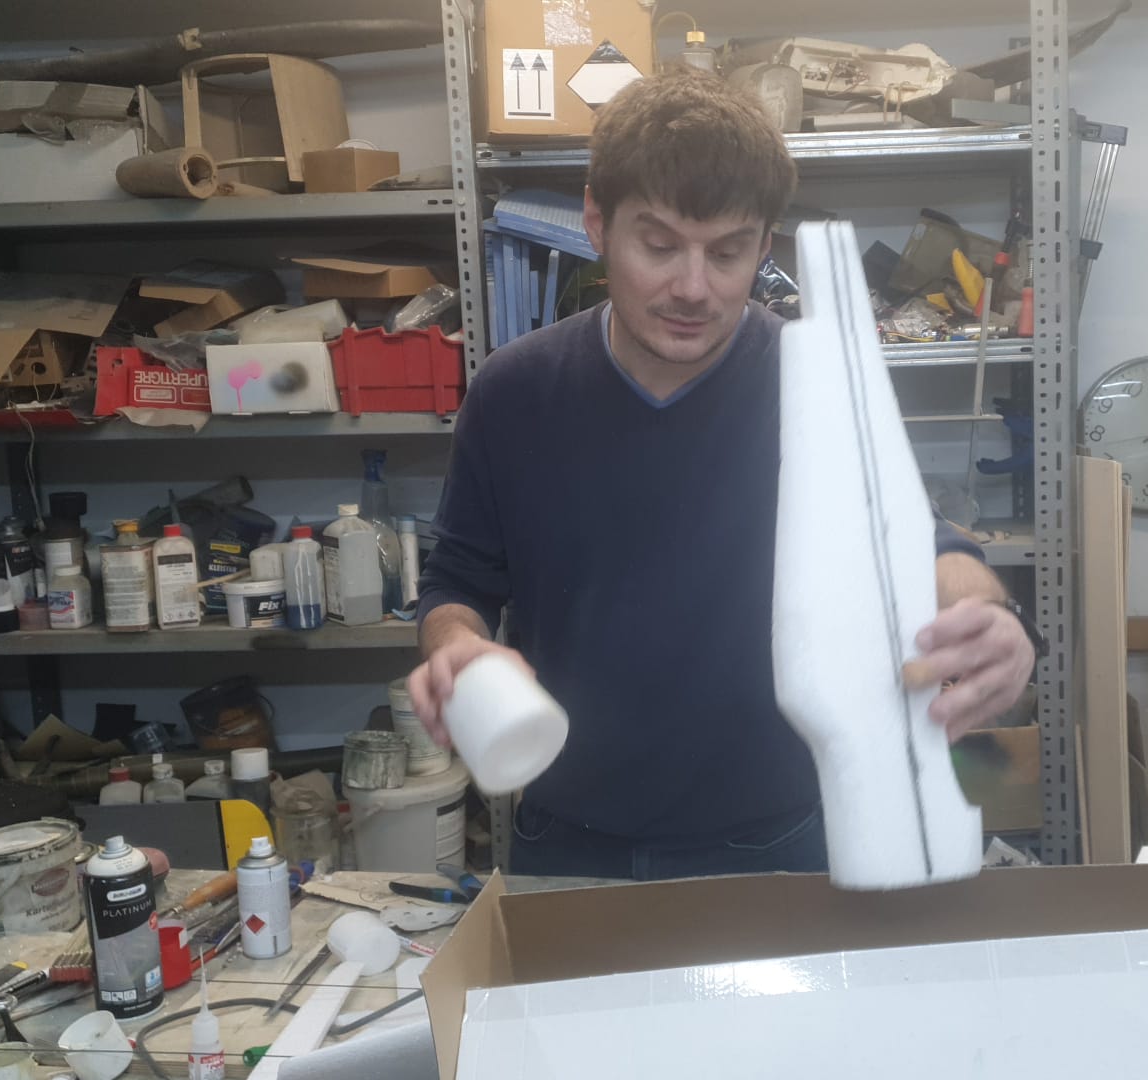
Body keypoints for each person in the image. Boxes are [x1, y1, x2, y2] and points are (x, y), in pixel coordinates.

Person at [404, 69, 1036, 880]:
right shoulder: (514, 392)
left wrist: (987, 615)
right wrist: (458, 647)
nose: (693, 288)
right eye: (659, 245)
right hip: (564, 836)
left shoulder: (813, 384)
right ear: (596, 221)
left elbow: (919, 542)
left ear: (764, 246)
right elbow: (458, 579)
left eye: (728, 252)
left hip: (774, 840)